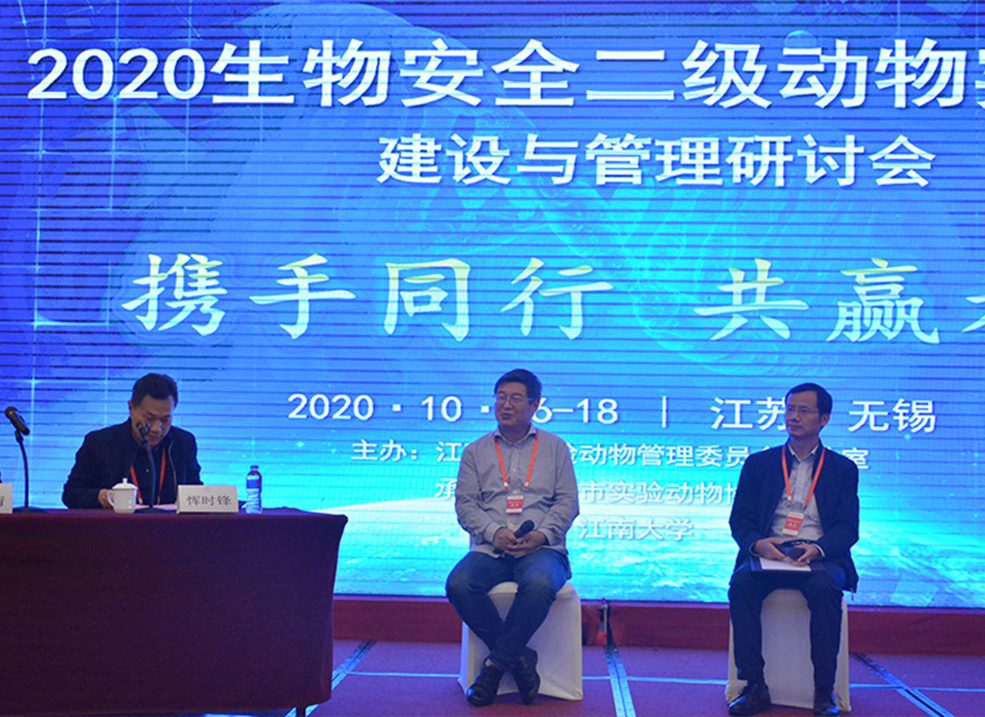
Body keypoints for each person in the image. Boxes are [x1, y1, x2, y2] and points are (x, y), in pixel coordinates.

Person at [446, 369, 579, 707]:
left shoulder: (555, 448)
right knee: (459, 584)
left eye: (516, 398)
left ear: (535, 405)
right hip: (492, 548)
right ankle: (519, 659)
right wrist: (495, 533)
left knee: (539, 583)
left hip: (542, 549)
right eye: (501, 397)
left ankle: (493, 668)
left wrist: (541, 535)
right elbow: (465, 505)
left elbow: (568, 503)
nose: (506, 405)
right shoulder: (475, 451)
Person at [727, 383, 859, 717]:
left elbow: (847, 528)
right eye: (789, 409)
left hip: (818, 556)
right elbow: (740, 519)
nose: (793, 417)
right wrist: (758, 544)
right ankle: (754, 686)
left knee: (825, 589)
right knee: (741, 585)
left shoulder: (842, 469)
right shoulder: (759, 463)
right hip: (770, 553)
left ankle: (823, 692)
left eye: (803, 410)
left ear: (824, 419)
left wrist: (819, 549)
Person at [62, 373, 202, 509]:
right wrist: (102, 497)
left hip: (168, 524)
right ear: (131, 408)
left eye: (165, 420)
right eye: (149, 418)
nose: (156, 429)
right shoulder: (100, 443)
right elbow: (71, 494)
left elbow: (196, 494)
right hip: (116, 524)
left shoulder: (184, 443)